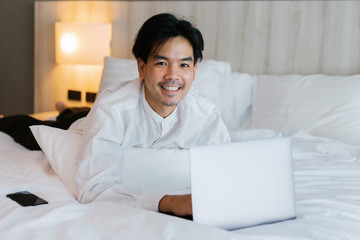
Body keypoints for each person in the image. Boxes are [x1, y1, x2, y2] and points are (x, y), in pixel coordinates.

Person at [0, 13, 230, 217]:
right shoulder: (113, 109)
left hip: (95, 115)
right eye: (162, 63)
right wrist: (167, 202)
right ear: (141, 67)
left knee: (76, 112)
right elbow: (92, 189)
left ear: (194, 70)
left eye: (183, 65)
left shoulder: (205, 115)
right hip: (82, 128)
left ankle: (65, 109)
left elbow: (227, 170)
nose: (173, 75)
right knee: (32, 126)